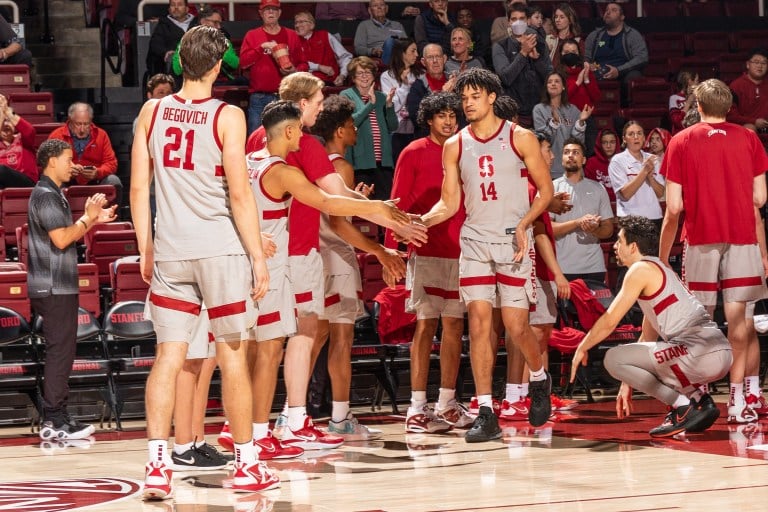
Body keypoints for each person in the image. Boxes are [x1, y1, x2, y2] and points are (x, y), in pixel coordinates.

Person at [246, 73, 426, 451]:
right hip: (297, 251)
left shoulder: (257, 139)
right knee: (305, 333)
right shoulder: (307, 145)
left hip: (263, 253)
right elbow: (335, 200)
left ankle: (253, 426)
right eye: (317, 100)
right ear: (299, 107)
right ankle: (294, 419)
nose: (322, 106)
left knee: (263, 342)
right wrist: (386, 216)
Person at [132, 25, 275, 498]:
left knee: (168, 358)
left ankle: (156, 466)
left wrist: (144, 246)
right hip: (219, 248)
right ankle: (247, 465)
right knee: (232, 354)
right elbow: (239, 193)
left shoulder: (151, 111)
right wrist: (258, 254)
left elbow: (138, 188)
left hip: (170, 249)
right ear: (217, 66)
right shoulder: (228, 115)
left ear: (178, 62)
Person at [419, 68, 555, 442]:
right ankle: (485, 410)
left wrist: (526, 223)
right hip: (475, 241)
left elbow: (545, 191)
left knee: (516, 327)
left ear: (492, 97)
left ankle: (539, 379)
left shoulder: (520, 137)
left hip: (512, 241)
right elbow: (449, 203)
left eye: (474, 96)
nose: (467, 104)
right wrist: (417, 222)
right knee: (478, 323)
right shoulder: (455, 144)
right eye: (463, 98)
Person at [659, 78, 768, 425]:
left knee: (698, 325)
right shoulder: (749, 138)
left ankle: (700, 396)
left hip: (702, 239)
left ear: (699, 106)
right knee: (741, 322)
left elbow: (673, 207)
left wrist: (661, 258)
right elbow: (760, 199)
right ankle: (738, 401)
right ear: (729, 106)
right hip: (742, 237)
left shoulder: (680, 141)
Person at [571, 216, 731, 438]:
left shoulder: (639, 270)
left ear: (633, 246)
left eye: (619, 241)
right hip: (717, 349)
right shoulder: (659, 268)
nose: (615, 246)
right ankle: (699, 402)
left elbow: (610, 320)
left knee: (612, 358)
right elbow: (647, 337)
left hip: (698, 350)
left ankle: (682, 407)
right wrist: (627, 383)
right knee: (646, 354)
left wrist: (582, 346)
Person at [310, 94, 406, 439]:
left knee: (315, 338)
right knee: (338, 340)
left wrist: (356, 197)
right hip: (335, 257)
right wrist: (379, 250)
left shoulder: (319, 162)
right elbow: (338, 224)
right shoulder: (341, 165)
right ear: (339, 130)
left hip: (314, 256)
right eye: (352, 125)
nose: (356, 129)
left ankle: (295, 416)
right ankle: (339, 417)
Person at [385, 92, 475, 434]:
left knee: (454, 328)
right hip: (425, 250)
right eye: (442, 115)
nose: (449, 121)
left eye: (453, 115)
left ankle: (447, 404)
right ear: (429, 119)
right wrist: (391, 249)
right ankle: (416, 408)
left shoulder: (463, 151)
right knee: (426, 326)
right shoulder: (413, 152)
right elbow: (395, 203)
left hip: (462, 251)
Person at [30, 139, 117, 442]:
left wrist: (93, 221)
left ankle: (59, 416)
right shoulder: (45, 196)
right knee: (60, 351)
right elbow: (62, 239)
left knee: (63, 351)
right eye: (68, 158)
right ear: (51, 161)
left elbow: (67, 234)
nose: (73, 163)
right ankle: (54, 420)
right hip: (53, 285)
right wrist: (87, 218)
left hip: (58, 285)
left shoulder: (55, 194)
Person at [502, 130, 574, 419]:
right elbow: (541, 234)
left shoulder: (536, 186)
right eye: (547, 148)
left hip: (536, 267)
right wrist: (558, 274)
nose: (552, 154)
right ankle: (518, 395)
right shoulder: (531, 188)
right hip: (532, 267)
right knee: (529, 332)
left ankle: (536, 393)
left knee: (540, 332)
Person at [551, 138, 615, 283]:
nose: (571, 156)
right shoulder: (552, 188)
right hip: (564, 267)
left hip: (594, 266)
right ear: (562, 159)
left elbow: (608, 229)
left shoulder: (598, 188)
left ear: (584, 159)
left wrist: (594, 230)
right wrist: (577, 223)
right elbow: (548, 229)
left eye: (576, 152)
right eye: (566, 152)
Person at [239, 0, 308, 134]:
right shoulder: (252, 35)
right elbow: (243, 63)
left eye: (274, 9)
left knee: (287, 138)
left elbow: (304, 64)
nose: (271, 12)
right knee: (256, 138)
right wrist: (261, 48)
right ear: (261, 13)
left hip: (286, 96)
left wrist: (294, 71)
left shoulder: (291, 35)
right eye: (267, 9)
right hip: (259, 97)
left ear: (280, 13)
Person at [341, 56, 398, 200]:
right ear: (353, 77)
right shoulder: (347, 95)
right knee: (365, 205)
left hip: (383, 161)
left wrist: (390, 106)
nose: (364, 76)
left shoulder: (381, 97)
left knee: (386, 203)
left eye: (368, 72)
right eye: (360, 73)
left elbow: (393, 126)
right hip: (362, 162)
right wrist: (370, 105)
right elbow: (351, 123)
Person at [48, 102, 123, 206]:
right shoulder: (57, 135)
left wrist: (97, 172)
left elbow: (111, 164)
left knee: (113, 180)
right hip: (67, 181)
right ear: (70, 121)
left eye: (86, 124)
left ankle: (113, 217)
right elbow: (49, 165)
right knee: (53, 181)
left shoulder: (101, 135)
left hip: (95, 181)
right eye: (78, 124)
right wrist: (67, 170)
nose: (82, 129)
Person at [492, 2, 552, 128]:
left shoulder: (540, 44)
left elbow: (549, 76)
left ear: (528, 21)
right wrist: (523, 52)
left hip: (540, 111)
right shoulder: (500, 46)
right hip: (513, 114)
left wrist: (537, 60)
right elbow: (506, 78)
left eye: (522, 19)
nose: (518, 22)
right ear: (508, 22)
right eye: (514, 19)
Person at [584, 2, 648, 105]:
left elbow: (642, 57)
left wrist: (618, 70)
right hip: (599, 72)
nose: (608, 12)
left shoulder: (632, 35)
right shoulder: (594, 36)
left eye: (613, 10)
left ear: (622, 17)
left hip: (623, 73)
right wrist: (588, 65)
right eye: (606, 10)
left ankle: (625, 108)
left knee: (634, 76)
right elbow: (585, 58)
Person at [532, 71, 592, 179]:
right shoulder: (539, 109)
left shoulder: (573, 110)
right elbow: (543, 141)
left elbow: (578, 142)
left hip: (573, 169)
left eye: (557, 81)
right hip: (551, 170)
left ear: (563, 87)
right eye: (550, 82)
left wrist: (581, 122)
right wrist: (554, 123)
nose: (553, 84)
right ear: (546, 87)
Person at [608, 121, 665, 224]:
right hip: (630, 219)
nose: (636, 137)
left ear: (644, 138)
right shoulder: (617, 161)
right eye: (631, 134)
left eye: (639, 133)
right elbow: (625, 194)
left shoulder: (653, 159)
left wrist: (651, 178)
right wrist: (644, 171)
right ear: (624, 139)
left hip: (655, 216)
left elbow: (660, 193)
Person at [380, 38, 422, 162]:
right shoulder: (387, 76)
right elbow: (393, 106)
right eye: (413, 51)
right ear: (402, 53)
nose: (417, 55)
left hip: (417, 127)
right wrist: (404, 86)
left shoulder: (420, 74)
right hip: (396, 130)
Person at [172, 6, 239, 84]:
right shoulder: (187, 40)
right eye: (215, 22)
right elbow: (177, 69)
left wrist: (219, 51)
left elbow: (235, 64)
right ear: (203, 22)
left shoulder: (223, 40)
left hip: (220, 81)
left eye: (220, 23)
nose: (219, 27)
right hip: (194, 82)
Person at [406, 44, 458, 140]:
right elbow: (417, 119)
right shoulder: (417, 87)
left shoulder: (455, 83)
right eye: (430, 57)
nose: (435, 61)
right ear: (423, 62)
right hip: (429, 140)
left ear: (444, 58)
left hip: (455, 140)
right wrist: (443, 94)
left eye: (438, 56)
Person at [560, 39, 600, 156]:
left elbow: (596, 97)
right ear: (561, 54)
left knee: (589, 153)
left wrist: (587, 80)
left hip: (587, 118)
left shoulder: (585, 70)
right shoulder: (558, 73)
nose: (570, 54)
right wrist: (577, 82)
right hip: (566, 119)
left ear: (579, 53)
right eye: (566, 52)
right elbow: (562, 97)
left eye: (573, 51)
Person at [294, 11, 352, 87]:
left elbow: (345, 57)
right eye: (296, 23)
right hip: (304, 84)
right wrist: (319, 67)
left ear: (312, 25)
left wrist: (342, 75)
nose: (297, 25)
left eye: (301, 22)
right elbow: (294, 63)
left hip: (329, 82)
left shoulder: (325, 35)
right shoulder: (293, 40)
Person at [146, 0, 198, 75]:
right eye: (173, 5)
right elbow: (155, 44)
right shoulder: (163, 25)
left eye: (179, 5)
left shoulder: (196, 23)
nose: (176, 7)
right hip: (171, 65)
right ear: (169, 9)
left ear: (187, 9)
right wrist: (165, 52)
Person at [0, 93, 37, 188]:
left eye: (8, 120)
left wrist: (7, 111)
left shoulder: (23, 139)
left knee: (2, 170)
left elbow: (30, 130)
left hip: (26, 183)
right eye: (3, 121)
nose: (5, 124)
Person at [727, 48, 768, 133]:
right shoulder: (736, 86)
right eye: (756, 62)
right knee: (750, 129)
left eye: (764, 63)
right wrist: (754, 122)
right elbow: (731, 116)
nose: (760, 66)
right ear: (748, 65)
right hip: (746, 127)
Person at [545, 3, 583, 69]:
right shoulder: (549, 38)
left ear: (570, 20)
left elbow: (580, 64)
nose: (557, 20)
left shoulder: (578, 41)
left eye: (562, 17)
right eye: (556, 17)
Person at [585, 128, 618, 201]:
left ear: (617, 143)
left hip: (621, 205)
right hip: (598, 204)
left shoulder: (623, 161)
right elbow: (589, 190)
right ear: (599, 144)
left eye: (612, 142)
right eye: (604, 142)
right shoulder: (592, 163)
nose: (608, 146)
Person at [669, 70, 699, 134]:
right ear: (690, 81)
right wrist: (688, 103)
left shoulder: (699, 98)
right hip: (681, 136)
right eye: (697, 80)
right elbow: (676, 121)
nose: (698, 83)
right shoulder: (674, 98)